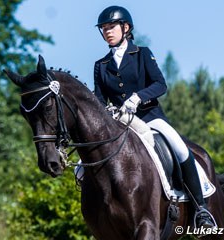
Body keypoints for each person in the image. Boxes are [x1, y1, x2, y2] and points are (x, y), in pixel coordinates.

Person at [92, 5, 217, 229]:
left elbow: (160, 84)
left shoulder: (142, 54)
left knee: (179, 148)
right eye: (104, 28)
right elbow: (100, 99)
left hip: (150, 117)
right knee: (86, 161)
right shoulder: (100, 65)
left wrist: (138, 97)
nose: (107, 32)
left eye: (111, 27)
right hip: (121, 123)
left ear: (126, 27)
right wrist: (106, 111)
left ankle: (201, 209)